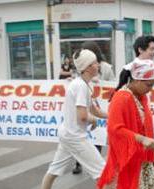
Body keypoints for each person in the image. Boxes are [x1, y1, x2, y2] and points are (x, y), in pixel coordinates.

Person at [41, 49, 108, 189]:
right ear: (88, 67)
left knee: (54, 170)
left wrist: (112, 115)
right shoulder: (80, 86)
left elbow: (94, 110)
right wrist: (94, 120)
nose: (98, 65)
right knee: (104, 173)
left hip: (68, 134)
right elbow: (83, 116)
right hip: (75, 137)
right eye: (95, 63)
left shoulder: (84, 84)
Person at [97, 59, 154, 189]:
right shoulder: (121, 98)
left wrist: (150, 142)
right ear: (136, 80)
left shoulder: (141, 96)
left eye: (153, 85)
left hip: (141, 158)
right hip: (127, 158)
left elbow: (144, 126)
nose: (151, 89)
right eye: (149, 85)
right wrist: (142, 139)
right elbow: (115, 129)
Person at [71, 41, 115, 175]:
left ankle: (97, 165)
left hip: (100, 104)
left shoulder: (106, 67)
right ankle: (79, 163)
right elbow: (77, 79)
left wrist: (101, 83)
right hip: (85, 105)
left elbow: (112, 84)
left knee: (98, 137)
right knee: (81, 140)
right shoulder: (80, 74)